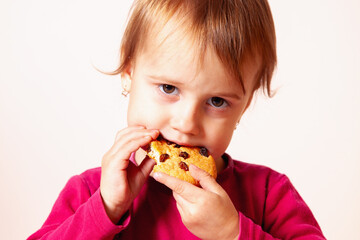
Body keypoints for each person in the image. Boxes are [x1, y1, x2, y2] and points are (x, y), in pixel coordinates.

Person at [28, 0, 326, 239]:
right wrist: (105, 210)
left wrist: (233, 233)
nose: (186, 123)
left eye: (217, 101)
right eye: (169, 88)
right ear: (129, 75)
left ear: (244, 107)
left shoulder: (267, 194)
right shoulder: (91, 192)